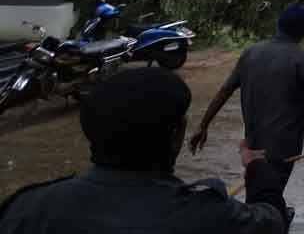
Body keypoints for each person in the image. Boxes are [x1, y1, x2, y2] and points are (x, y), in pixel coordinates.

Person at [0, 68, 286, 234]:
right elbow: (272, 222)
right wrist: (257, 169)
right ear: (176, 137)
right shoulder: (211, 216)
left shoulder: (26, 210)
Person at [190, 3, 304, 212]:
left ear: (278, 24)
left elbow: (225, 90)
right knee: (265, 201)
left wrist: (203, 125)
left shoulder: (251, 53)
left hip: (252, 144)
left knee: (259, 194)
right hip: (282, 148)